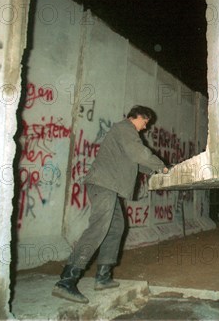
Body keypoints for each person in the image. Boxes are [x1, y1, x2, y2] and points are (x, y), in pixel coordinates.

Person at [52, 105, 168, 303]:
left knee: (115, 228)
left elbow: (137, 163)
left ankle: (103, 278)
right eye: (145, 123)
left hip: (108, 187)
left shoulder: (124, 134)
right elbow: (139, 154)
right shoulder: (125, 129)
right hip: (103, 185)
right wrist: (163, 166)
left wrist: (157, 171)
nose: (144, 128)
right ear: (137, 117)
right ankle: (66, 281)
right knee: (99, 228)